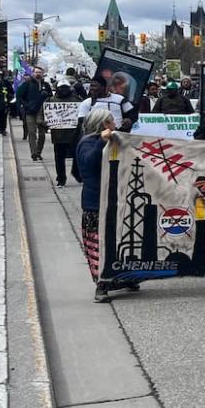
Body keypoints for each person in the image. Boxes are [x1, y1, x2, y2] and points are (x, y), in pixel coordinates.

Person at [75, 109, 128, 303]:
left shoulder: (116, 141)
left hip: (115, 201)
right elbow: (88, 164)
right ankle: (101, 285)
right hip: (95, 204)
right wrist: (101, 142)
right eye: (112, 121)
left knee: (119, 242)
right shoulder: (87, 143)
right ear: (105, 124)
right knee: (98, 245)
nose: (115, 123)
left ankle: (121, 277)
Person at [48, 81, 82, 187]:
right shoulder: (51, 100)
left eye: (65, 88)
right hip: (58, 135)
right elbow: (44, 115)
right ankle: (61, 178)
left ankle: (76, 172)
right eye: (61, 88)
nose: (63, 90)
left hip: (74, 134)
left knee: (77, 155)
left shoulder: (77, 100)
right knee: (59, 158)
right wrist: (44, 122)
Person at [16, 68, 49, 161]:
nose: (38, 74)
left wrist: (46, 95)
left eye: (40, 72)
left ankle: (38, 152)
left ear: (42, 74)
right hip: (30, 112)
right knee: (32, 133)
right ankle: (34, 153)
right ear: (33, 73)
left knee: (42, 134)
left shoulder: (45, 85)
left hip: (42, 113)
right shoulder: (27, 84)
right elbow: (19, 96)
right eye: (36, 72)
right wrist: (26, 106)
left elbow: (51, 96)